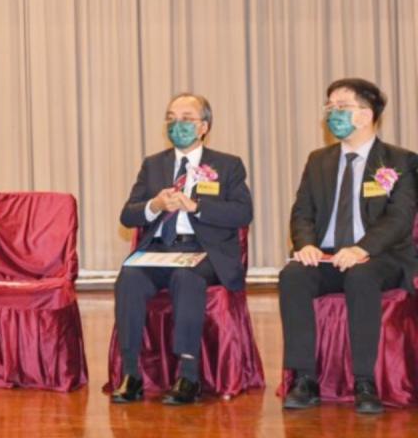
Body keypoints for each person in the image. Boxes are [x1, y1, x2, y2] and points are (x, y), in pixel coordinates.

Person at [279, 78, 418, 415]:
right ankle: (304, 378)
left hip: (380, 256)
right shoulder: (318, 160)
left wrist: (361, 249)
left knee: (361, 276)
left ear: (366, 115)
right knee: (293, 276)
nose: (332, 113)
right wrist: (306, 244)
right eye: (329, 106)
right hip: (328, 254)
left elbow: (399, 218)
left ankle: (365, 381)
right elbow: (302, 211)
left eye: (341, 106)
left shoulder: (400, 160)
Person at [112, 93, 254, 405]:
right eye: (171, 118)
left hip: (204, 251)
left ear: (204, 126)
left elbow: (242, 213)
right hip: (161, 249)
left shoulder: (227, 165)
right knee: (129, 277)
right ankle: (131, 373)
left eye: (187, 118)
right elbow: (128, 215)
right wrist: (154, 205)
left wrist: (196, 206)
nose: (178, 124)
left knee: (186, 277)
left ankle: (188, 375)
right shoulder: (153, 165)